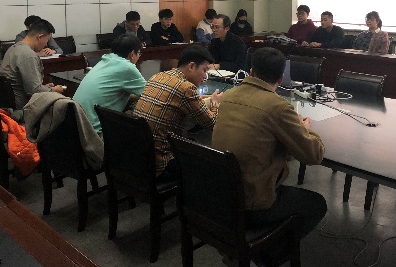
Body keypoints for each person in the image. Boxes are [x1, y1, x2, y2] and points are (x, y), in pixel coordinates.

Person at [212, 47, 326, 263]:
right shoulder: (278, 107)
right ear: (281, 78)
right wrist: (306, 129)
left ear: (251, 71)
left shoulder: (228, 96)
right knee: (317, 204)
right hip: (252, 203)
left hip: (220, 196)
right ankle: (268, 255)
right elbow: (314, 155)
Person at [133, 45, 221, 181]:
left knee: (191, 142)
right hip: (160, 165)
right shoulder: (186, 88)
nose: (205, 76)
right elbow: (212, 124)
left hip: (138, 158)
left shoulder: (158, 76)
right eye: (204, 70)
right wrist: (215, 102)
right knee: (211, 162)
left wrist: (198, 98)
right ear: (191, 66)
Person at [73, 35, 146, 136]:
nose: (139, 57)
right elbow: (149, 94)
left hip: (76, 127)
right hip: (95, 134)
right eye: (139, 53)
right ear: (132, 54)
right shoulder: (127, 67)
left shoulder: (105, 60)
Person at [0, 19, 65, 109]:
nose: (46, 44)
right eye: (47, 40)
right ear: (40, 37)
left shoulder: (13, 48)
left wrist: (44, 88)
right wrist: (54, 90)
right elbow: (35, 91)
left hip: (10, 103)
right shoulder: (28, 55)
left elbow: (29, 86)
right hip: (23, 107)